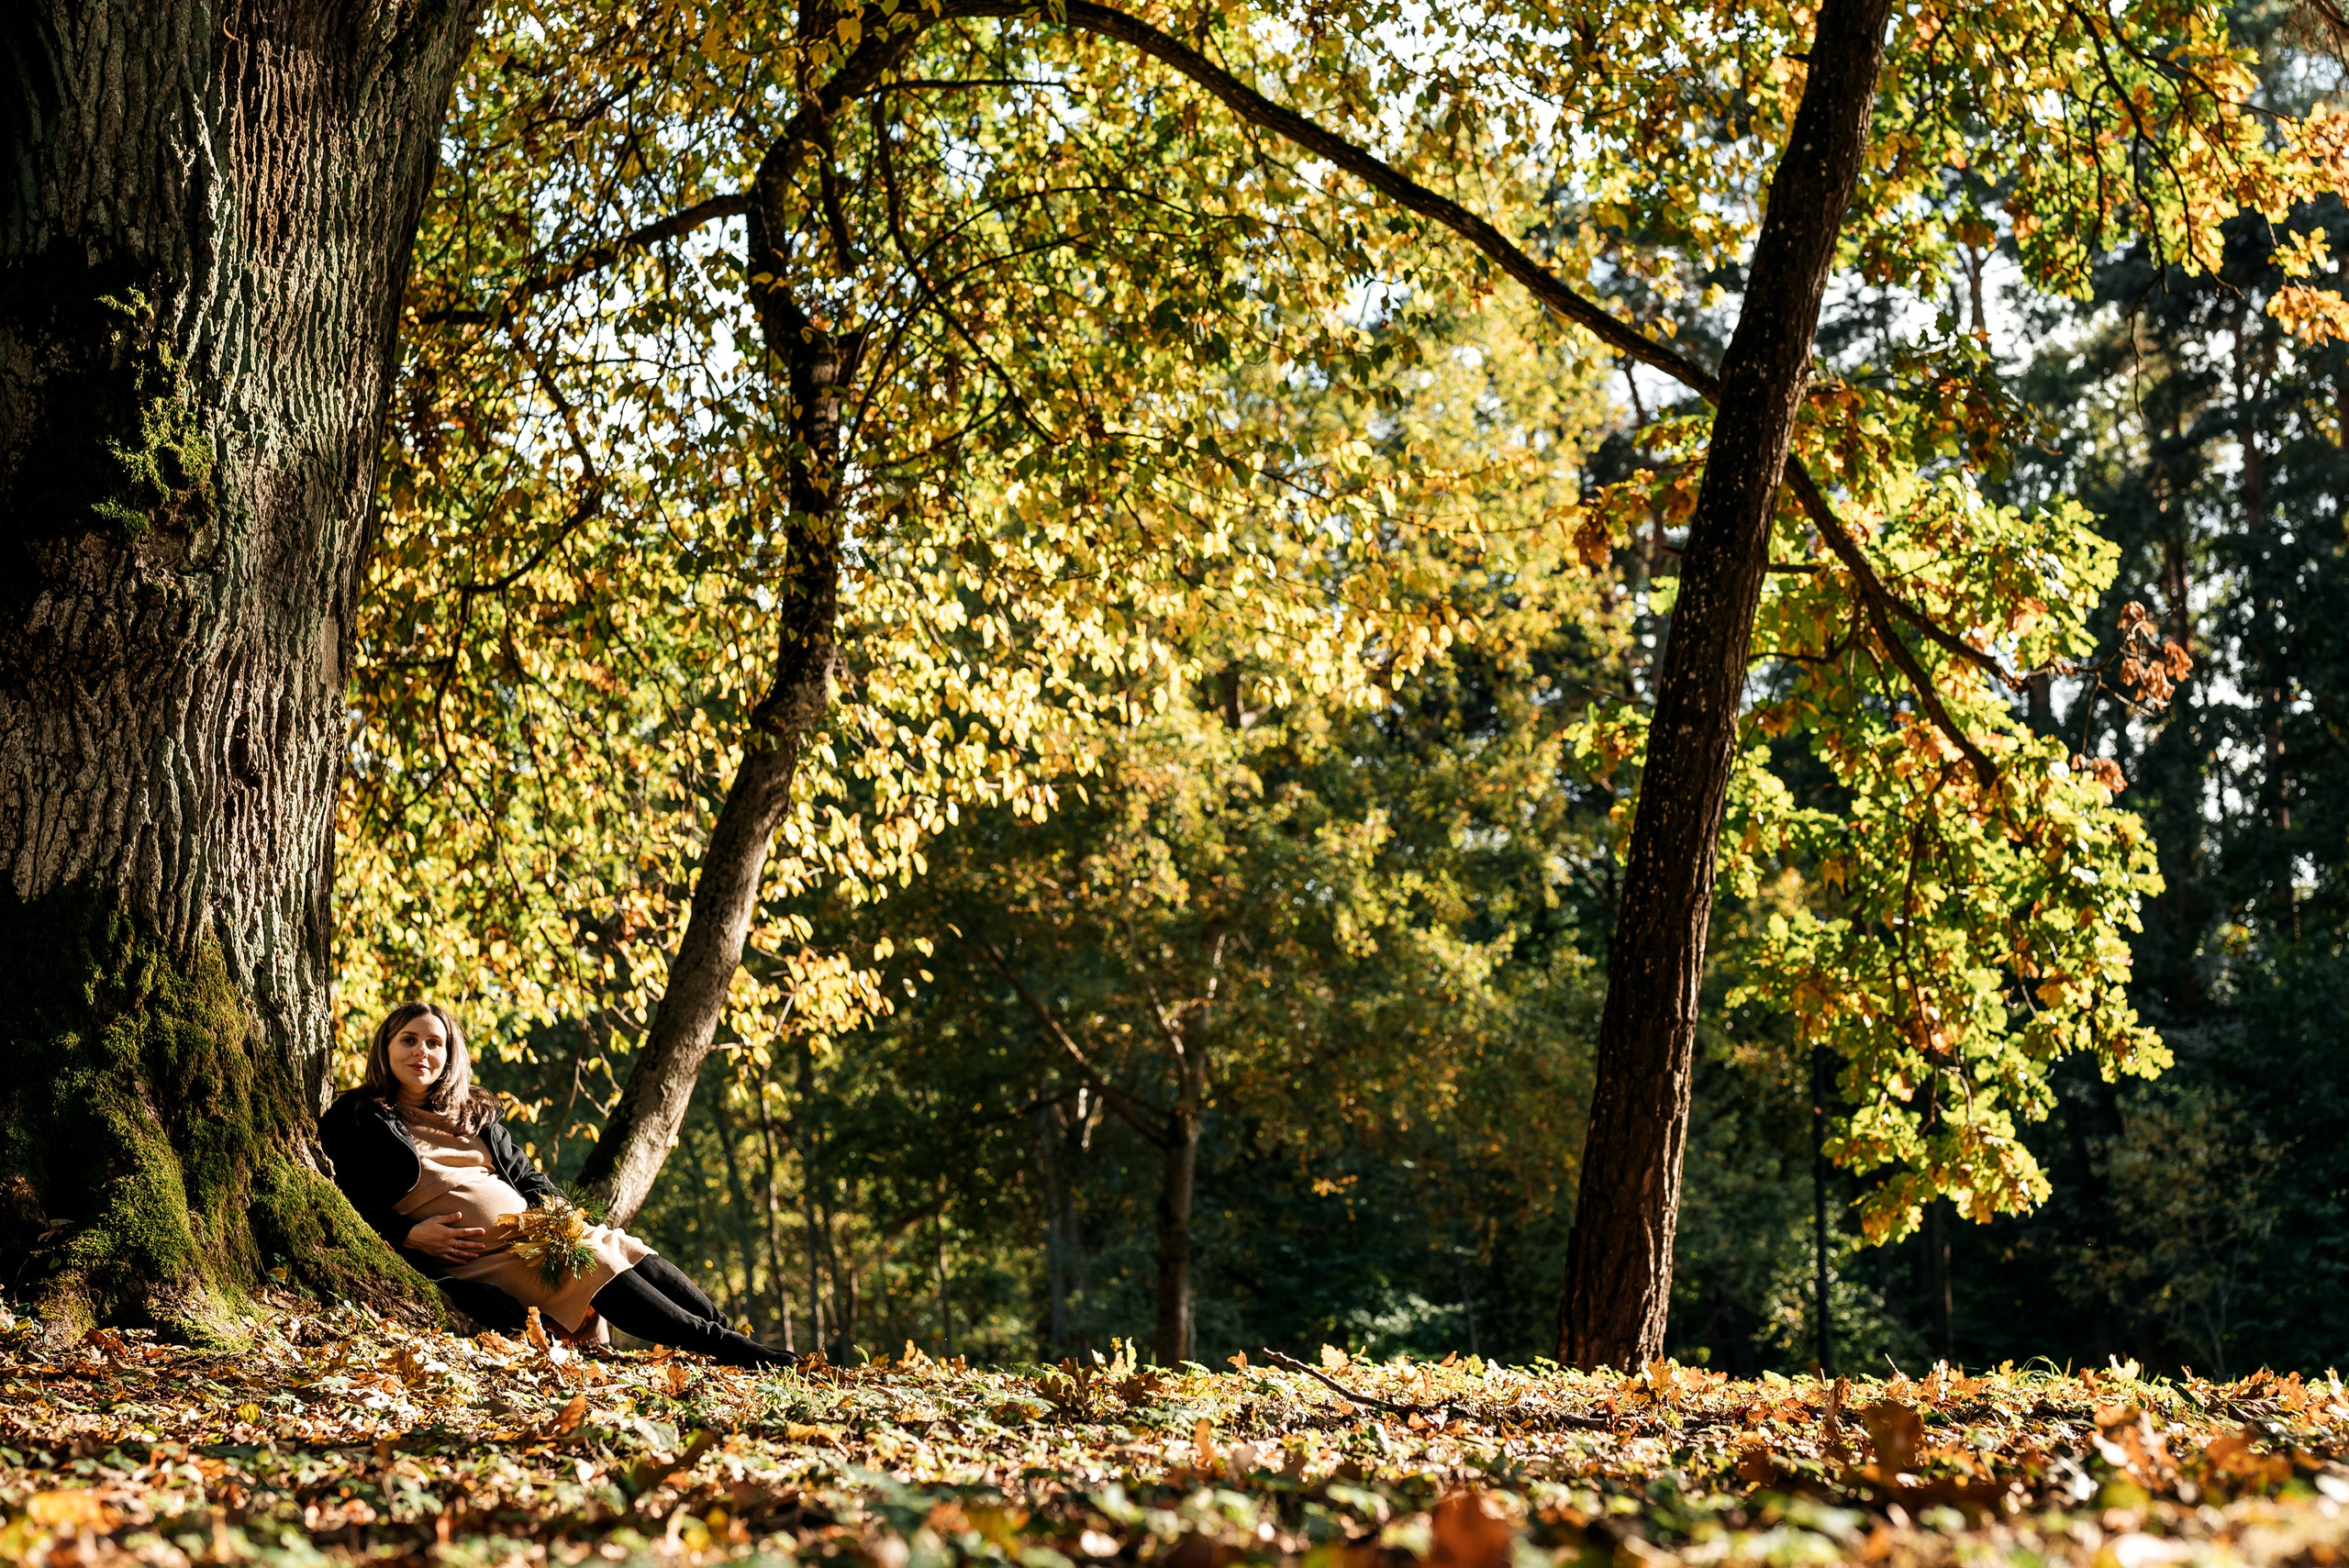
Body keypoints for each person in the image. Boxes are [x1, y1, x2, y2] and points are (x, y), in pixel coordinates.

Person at [320, 1000, 789, 1368]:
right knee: (595, 1265)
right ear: (385, 1048)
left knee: (618, 1245)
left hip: (537, 1233)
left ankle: (731, 1339)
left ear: (449, 1055)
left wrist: (558, 1212)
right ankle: (728, 1349)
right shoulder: (359, 1116)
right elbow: (343, 1198)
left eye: (434, 1043)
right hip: (483, 1259)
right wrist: (407, 1235)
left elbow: (524, 1174)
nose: (422, 1052)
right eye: (409, 1040)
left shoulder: (471, 1111)